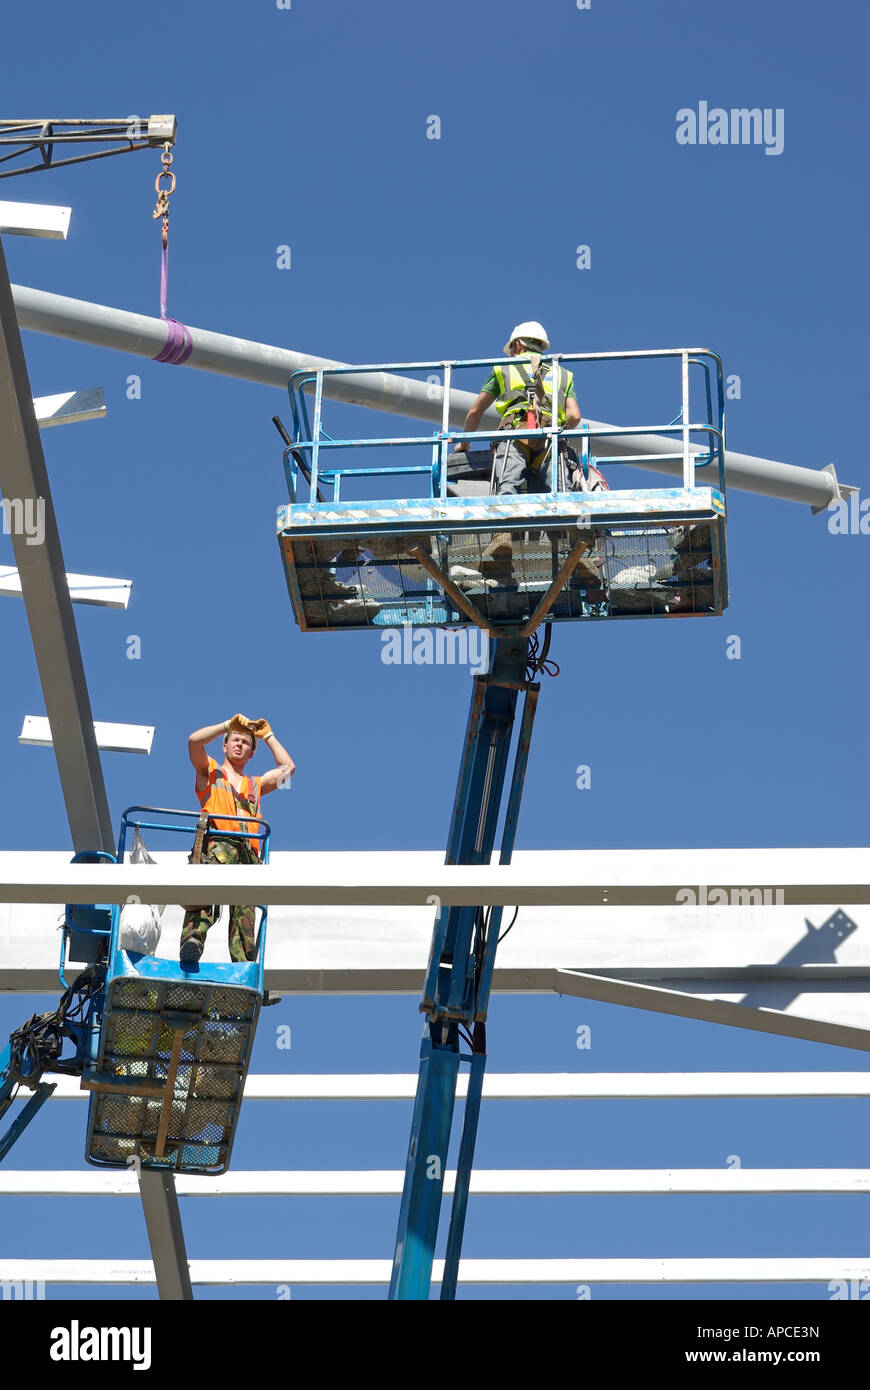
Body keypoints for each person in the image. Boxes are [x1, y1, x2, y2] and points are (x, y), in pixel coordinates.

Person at [179, 715, 295, 965]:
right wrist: (225, 726)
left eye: (245, 742)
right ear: (224, 745)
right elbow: (193, 743)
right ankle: (193, 941)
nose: (239, 744)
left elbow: (288, 771)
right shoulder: (209, 772)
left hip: (249, 857)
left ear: (251, 753)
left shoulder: (255, 785)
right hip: (219, 845)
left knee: (246, 914)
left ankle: (244, 965)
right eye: (235, 739)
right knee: (204, 894)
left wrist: (268, 737)